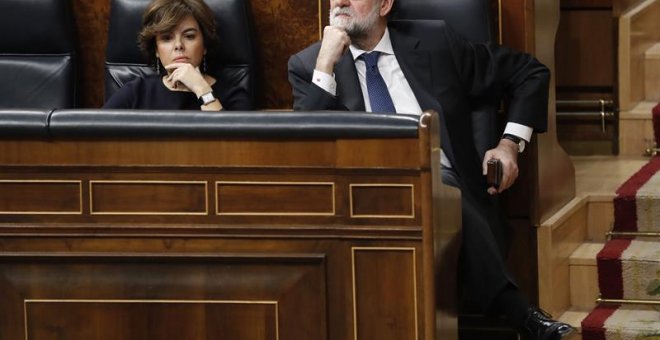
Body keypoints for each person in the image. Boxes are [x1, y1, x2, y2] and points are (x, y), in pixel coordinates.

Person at [288, 0, 573, 339]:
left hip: (444, 185)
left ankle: (517, 314)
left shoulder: (435, 42)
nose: (340, 1)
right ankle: (521, 315)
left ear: (384, 5)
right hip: (360, 201)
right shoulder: (310, 66)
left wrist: (510, 143)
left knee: (437, 188)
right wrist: (326, 64)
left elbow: (528, 72)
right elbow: (304, 150)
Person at [103, 0, 251, 111]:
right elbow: (96, 139)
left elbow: (235, 147)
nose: (178, 45)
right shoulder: (135, 92)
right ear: (156, 49)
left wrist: (202, 89)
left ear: (205, 45)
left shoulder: (232, 95)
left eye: (189, 36)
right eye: (167, 38)